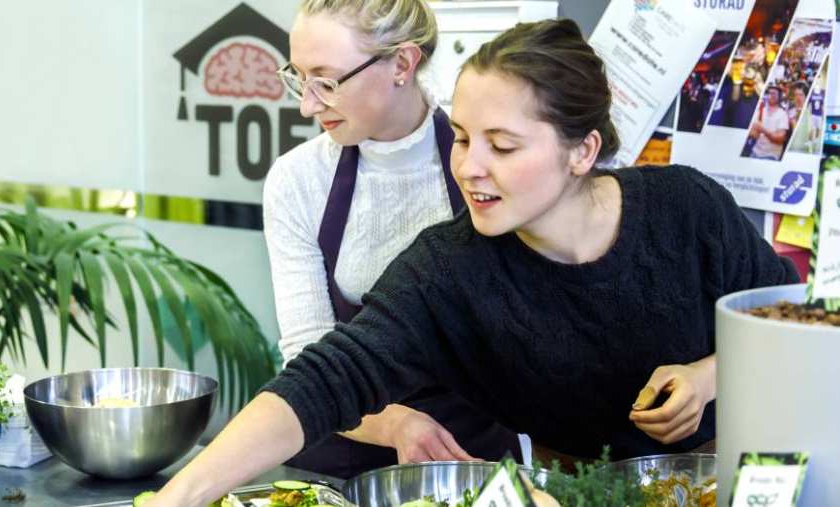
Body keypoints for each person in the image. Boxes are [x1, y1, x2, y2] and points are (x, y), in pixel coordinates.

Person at [146, 19, 798, 507]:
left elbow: (795, 325)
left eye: (502, 145)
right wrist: (181, 495)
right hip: (566, 493)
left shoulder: (684, 208)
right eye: (460, 137)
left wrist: (711, 373)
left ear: (582, 150)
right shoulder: (451, 270)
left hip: (727, 481)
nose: (470, 167)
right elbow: (323, 378)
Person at [261, 0, 519, 478]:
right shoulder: (297, 180)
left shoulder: (487, 172)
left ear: (402, 63)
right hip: (336, 458)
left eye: (327, 80)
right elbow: (307, 351)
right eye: (299, 77)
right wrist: (396, 424)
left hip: (470, 460)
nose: (307, 103)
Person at [748, 85, 790, 160]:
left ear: (779, 97)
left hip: (771, 155)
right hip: (755, 152)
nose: (771, 95)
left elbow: (780, 139)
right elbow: (753, 133)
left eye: (774, 93)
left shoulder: (783, 114)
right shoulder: (760, 110)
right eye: (769, 93)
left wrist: (762, 129)